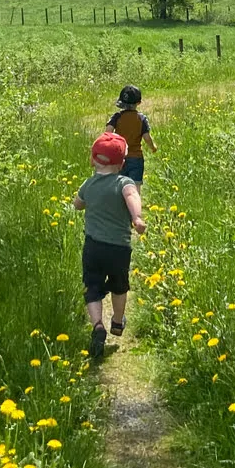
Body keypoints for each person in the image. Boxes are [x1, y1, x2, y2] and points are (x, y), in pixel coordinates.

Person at [73, 131, 145, 358]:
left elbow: (77, 204)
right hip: (118, 248)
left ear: (93, 159)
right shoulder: (124, 182)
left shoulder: (88, 184)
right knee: (119, 284)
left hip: (93, 246)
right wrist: (137, 218)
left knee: (92, 287)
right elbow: (131, 195)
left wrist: (85, 199)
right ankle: (116, 321)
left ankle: (97, 326)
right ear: (122, 163)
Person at [106, 85, 157, 185]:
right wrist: (153, 147)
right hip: (136, 158)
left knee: (119, 186)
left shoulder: (117, 117)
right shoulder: (141, 119)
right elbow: (147, 137)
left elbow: (108, 132)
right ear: (139, 103)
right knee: (135, 187)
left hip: (119, 157)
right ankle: (135, 200)